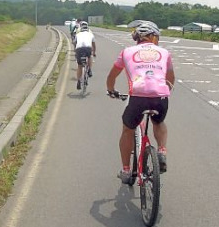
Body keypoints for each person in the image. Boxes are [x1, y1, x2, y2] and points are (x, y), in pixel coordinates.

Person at [106, 20, 174, 181]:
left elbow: (112, 76)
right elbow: (170, 77)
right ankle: (162, 151)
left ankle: (126, 170)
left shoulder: (126, 52)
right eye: (157, 36)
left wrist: (111, 90)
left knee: (128, 130)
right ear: (151, 36)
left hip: (138, 97)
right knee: (159, 122)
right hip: (160, 96)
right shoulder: (164, 53)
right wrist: (165, 90)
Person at [74, 21, 96, 90]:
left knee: (79, 66)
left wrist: (76, 51)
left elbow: (74, 43)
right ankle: (89, 70)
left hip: (79, 49)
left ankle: (78, 81)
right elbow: (94, 46)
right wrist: (94, 52)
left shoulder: (78, 34)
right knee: (90, 56)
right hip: (87, 48)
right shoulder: (91, 34)